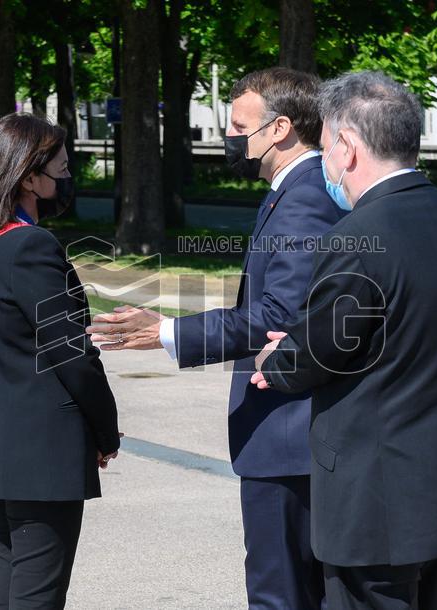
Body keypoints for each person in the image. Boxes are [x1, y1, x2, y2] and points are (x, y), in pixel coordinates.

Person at [86, 67, 344, 609]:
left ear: (278, 129)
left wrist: (169, 332)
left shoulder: (305, 194)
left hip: (288, 435)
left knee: (281, 594)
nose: (228, 136)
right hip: (288, 434)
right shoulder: (294, 189)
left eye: (237, 125)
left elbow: (278, 313)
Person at [250, 71, 437, 610]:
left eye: (329, 148)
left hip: (377, 496)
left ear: (349, 147)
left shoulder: (354, 238)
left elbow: (321, 349)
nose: (327, 164)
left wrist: (278, 358)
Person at [0, 113, 121, 609]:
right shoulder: (30, 245)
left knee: (7, 585)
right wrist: (105, 431)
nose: (67, 178)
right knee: (36, 595)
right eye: (62, 168)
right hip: (38, 452)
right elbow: (72, 355)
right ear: (29, 177)